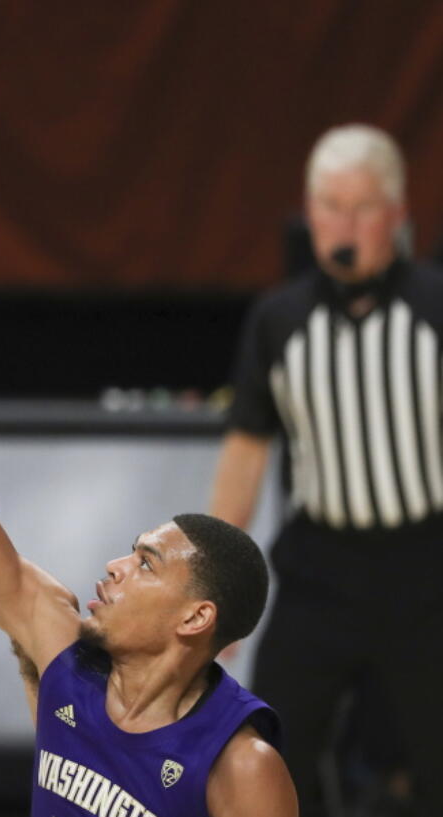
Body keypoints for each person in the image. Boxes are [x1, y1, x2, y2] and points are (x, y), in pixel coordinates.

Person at [0, 166, 296, 817]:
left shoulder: (241, 766)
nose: (117, 566)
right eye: (132, 551)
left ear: (195, 617)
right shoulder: (60, 643)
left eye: (147, 563)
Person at [209, 124, 443, 817]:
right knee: (273, 747)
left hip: (427, 567)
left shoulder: (435, 309)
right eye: (327, 206)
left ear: (397, 217)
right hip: (320, 570)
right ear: (308, 216)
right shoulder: (278, 321)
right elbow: (246, 451)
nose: (342, 224)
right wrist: (220, 591)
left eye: (361, 206)